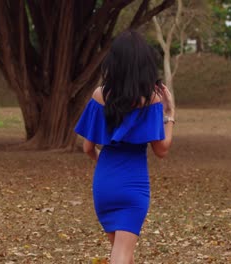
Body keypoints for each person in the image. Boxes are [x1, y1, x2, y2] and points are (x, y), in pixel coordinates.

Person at [74, 30, 175, 263]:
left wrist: (108, 166)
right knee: (121, 253)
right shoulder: (151, 99)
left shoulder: (99, 95)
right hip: (134, 185)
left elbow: (88, 148)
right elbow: (162, 150)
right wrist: (170, 115)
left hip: (105, 184)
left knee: (123, 254)